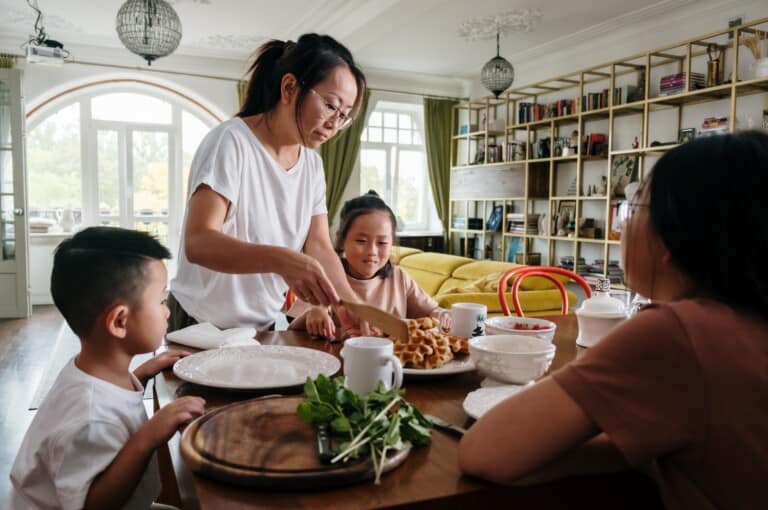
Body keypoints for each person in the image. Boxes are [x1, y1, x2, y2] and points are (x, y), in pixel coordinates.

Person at [458, 131, 768, 509]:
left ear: (672, 237)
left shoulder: (679, 333)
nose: (622, 226)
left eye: (633, 208)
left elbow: (483, 452)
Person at [169, 33, 368, 332]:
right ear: (289, 88)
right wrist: (283, 260)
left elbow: (319, 246)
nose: (334, 124)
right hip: (200, 325)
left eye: (344, 116)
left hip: (259, 328)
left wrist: (352, 305)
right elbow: (199, 242)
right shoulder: (232, 142)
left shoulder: (312, 164)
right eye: (330, 105)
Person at [9, 227, 206, 510]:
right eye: (161, 300)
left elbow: (109, 401)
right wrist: (148, 436)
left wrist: (142, 373)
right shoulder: (90, 419)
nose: (166, 311)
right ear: (119, 322)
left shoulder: (91, 369)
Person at [288, 191, 447, 339]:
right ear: (342, 240)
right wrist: (315, 311)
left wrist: (443, 316)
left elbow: (433, 311)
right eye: (361, 241)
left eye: (382, 243)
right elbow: (292, 329)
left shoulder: (399, 278)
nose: (372, 251)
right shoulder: (325, 276)